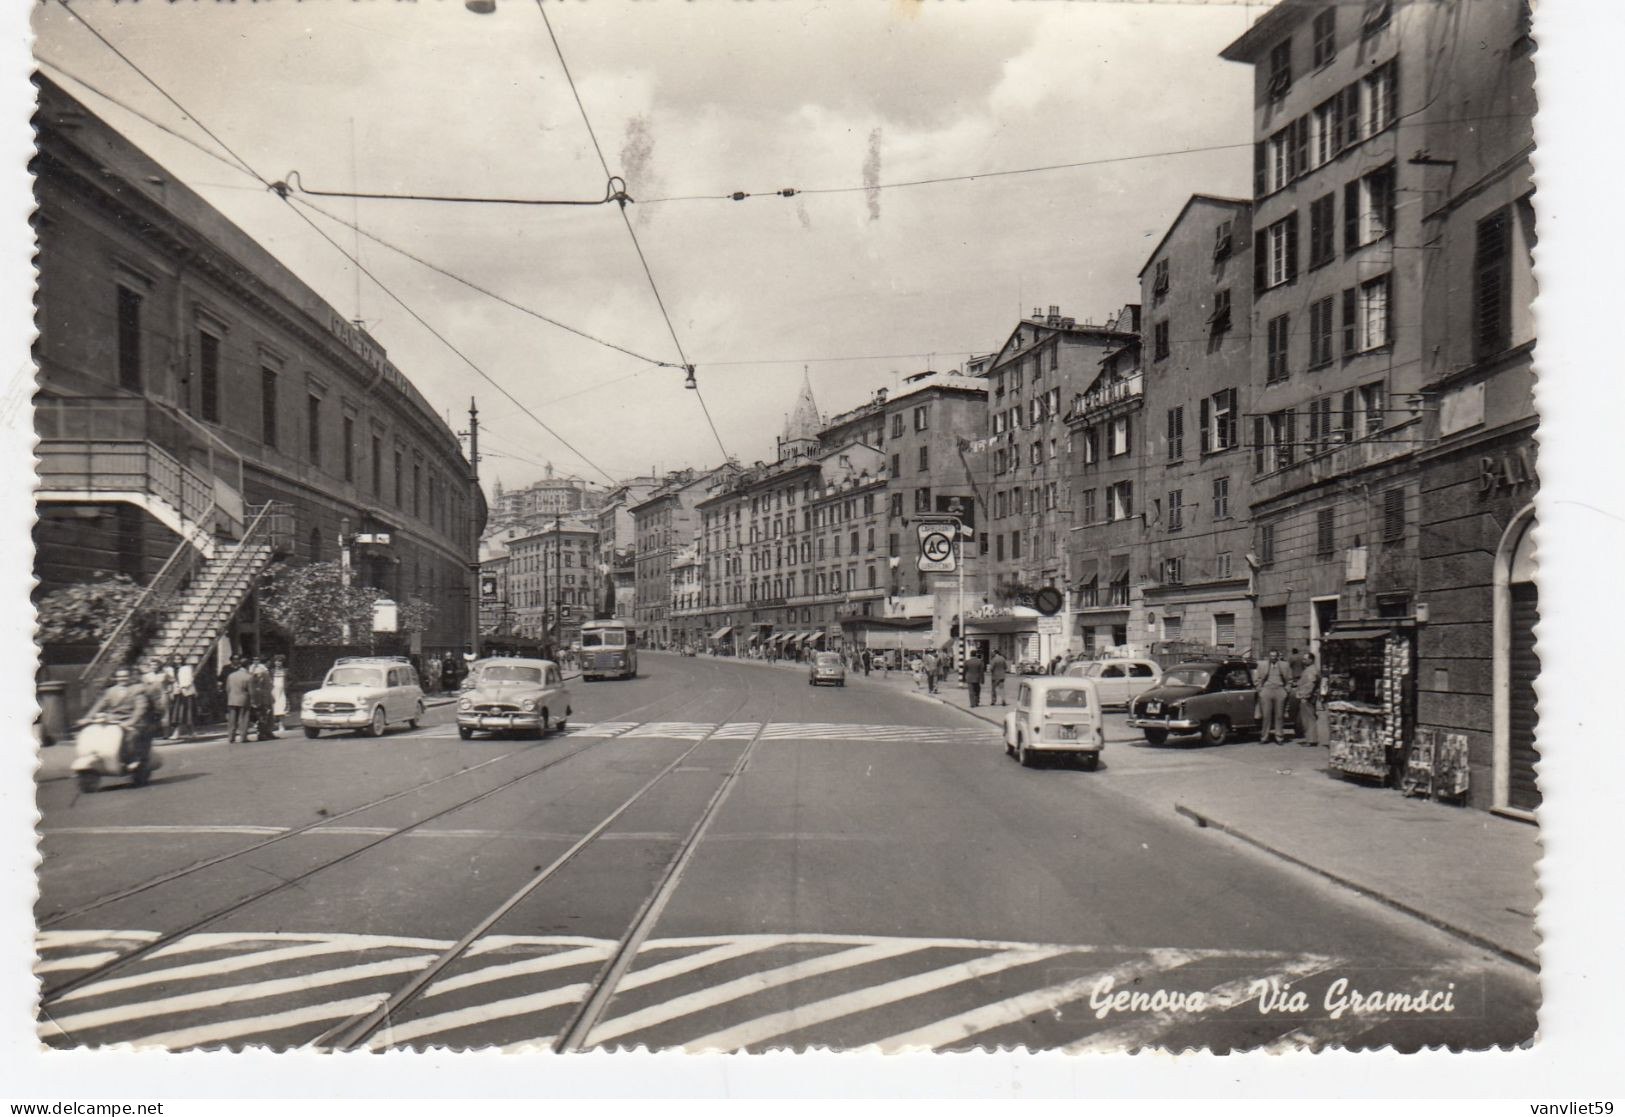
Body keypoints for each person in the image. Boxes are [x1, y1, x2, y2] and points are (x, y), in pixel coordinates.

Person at [84, 666, 152, 769]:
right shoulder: (111, 691)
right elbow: (100, 704)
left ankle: (132, 759)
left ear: (130, 677)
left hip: (131, 721)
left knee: (131, 736)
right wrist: (88, 717)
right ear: (116, 678)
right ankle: (96, 756)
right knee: (95, 732)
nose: (122, 678)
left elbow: (140, 708)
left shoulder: (137, 689)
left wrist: (131, 721)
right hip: (113, 721)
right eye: (120, 676)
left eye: (125, 676)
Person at [1257, 650, 1292, 744]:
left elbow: (1289, 679)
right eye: (1271, 656)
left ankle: (1279, 737)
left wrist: (1286, 690)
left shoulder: (1284, 665)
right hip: (1267, 690)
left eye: (1274, 656)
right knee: (1266, 715)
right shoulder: (1263, 665)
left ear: (1277, 656)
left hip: (1279, 689)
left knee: (1279, 715)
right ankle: (1264, 737)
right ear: (1269, 656)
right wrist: (1260, 690)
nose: (1272, 658)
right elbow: (1258, 679)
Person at [1294, 652, 1321, 747]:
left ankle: (1311, 740)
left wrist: (1304, 696)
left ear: (1311, 660)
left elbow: (1310, 684)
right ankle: (1311, 739)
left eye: (1305, 659)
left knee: (1308, 719)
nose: (1303, 661)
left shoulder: (1310, 671)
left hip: (1307, 697)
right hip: (1309, 696)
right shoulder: (1310, 669)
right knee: (1309, 718)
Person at [223, 658, 252, 743]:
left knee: (232, 719)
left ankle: (231, 737)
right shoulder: (248, 677)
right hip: (244, 699)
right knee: (243, 718)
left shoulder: (231, 675)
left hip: (232, 699)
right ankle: (243, 736)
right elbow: (251, 691)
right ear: (248, 666)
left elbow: (227, 689)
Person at [249, 656, 276, 740]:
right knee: (261, 716)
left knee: (269, 716)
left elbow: (269, 684)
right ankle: (261, 734)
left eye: (257, 659)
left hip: (267, 695)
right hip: (260, 697)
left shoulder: (264, 669)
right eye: (254, 659)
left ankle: (269, 732)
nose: (256, 661)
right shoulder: (252, 670)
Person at [171, 658, 196, 740]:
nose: (177, 661)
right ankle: (177, 732)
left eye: (179, 659)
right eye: (176, 659)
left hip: (186, 691)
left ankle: (191, 732)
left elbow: (189, 680)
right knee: (178, 713)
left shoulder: (186, 668)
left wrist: (183, 686)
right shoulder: (173, 669)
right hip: (178, 693)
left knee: (188, 712)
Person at [270, 654, 289, 732]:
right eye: (276, 661)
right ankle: (273, 725)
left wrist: (287, 686)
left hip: (282, 692)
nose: (278, 663)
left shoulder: (286, 671)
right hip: (273, 692)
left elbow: (292, 680)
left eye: (280, 661)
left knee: (281, 708)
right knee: (273, 708)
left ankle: (281, 725)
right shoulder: (271, 671)